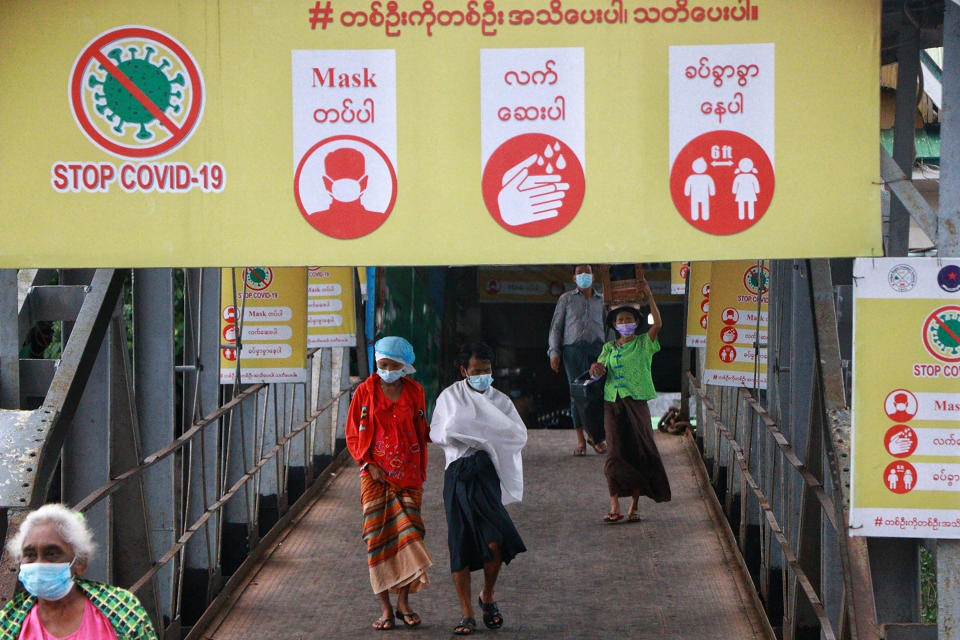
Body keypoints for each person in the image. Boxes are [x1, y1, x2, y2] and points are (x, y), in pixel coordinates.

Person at [430, 343, 527, 636]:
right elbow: (439, 432)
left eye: (486, 371)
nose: (482, 375)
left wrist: (483, 442)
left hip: (487, 474)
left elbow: (516, 434)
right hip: (458, 474)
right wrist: (477, 436)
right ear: (464, 371)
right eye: (476, 371)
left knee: (496, 539)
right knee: (459, 543)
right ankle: (467, 613)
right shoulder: (450, 397)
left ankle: (487, 595)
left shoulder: (502, 402)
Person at [345, 336, 432, 631]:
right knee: (377, 539)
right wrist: (368, 464)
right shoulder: (364, 392)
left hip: (409, 477)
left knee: (409, 538)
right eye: (382, 364)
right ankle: (385, 608)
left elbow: (423, 428)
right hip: (374, 478)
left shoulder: (415, 392)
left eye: (394, 365)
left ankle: (404, 602)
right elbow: (353, 434)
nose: (387, 370)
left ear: (405, 366)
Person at [1, 503, 157, 639]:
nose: (40, 563)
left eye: (52, 553)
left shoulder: (122, 608)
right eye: (30, 555)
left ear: (80, 563)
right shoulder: (8, 623)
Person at [589, 280, 672, 523]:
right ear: (614, 325)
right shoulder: (607, 347)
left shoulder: (644, 343)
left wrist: (650, 297)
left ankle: (634, 505)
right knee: (614, 452)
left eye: (629, 320)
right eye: (620, 321)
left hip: (636, 404)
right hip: (612, 404)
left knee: (640, 451)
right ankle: (614, 503)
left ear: (636, 323)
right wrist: (595, 369)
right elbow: (599, 368)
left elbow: (657, 323)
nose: (625, 323)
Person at [548, 265, 607, 456]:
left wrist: (612, 352)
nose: (584, 276)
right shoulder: (565, 299)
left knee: (598, 393)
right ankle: (581, 440)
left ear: (593, 276)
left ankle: (597, 437)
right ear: (574, 278)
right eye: (579, 273)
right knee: (577, 394)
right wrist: (554, 353)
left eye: (587, 272)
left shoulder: (602, 300)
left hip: (598, 350)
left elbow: (610, 327)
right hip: (573, 351)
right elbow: (556, 327)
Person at [308, 147, 386, 239]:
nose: (346, 184)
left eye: (352, 176)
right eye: (338, 176)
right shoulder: (378, 221)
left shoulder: (314, 221)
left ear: (364, 182)